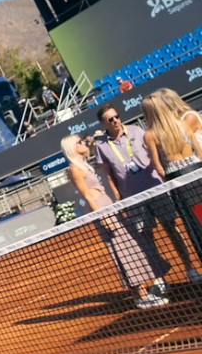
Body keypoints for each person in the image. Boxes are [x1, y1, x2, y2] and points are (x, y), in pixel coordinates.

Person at [94, 103, 202, 288]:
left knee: (172, 228)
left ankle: (190, 268)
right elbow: (108, 173)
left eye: (117, 116)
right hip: (132, 196)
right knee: (146, 236)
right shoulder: (101, 145)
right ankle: (159, 278)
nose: (115, 121)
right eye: (110, 119)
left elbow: (155, 154)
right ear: (103, 123)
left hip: (155, 188)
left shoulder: (137, 131)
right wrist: (117, 193)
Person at [60, 135, 168, 308]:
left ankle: (141, 293)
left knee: (130, 247)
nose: (83, 143)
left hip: (107, 205)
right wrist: (103, 217)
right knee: (122, 251)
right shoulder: (75, 169)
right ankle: (141, 296)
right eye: (79, 142)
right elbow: (87, 196)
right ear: (72, 148)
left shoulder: (83, 164)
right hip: (101, 209)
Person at [142, 93, 202, 181]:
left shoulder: (149, 135)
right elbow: (199, 151)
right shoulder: (182, 124)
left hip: (175, 175)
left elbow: (158, 168)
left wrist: (167, 181)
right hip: (196, 167)